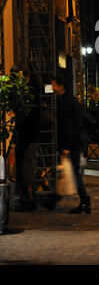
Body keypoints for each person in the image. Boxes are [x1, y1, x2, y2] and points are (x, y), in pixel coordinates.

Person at [50, 74, 91, 214]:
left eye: (54, 84)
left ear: (61, 86)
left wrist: (66, 146)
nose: (52, 87)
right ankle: (57, 198)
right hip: (75, 141)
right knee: (71, 171)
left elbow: (68, 125)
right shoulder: (69, 100)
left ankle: (85, 200)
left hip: (72, 143)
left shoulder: (66, 102)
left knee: (74, 172)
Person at [11, 65, 41, 212]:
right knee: (22, 169)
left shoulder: (31, 92)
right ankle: (25, 197)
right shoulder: (24, 91)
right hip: (24, 136)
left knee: (27, 169)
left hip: (29, 136)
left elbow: (29, 114)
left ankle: (30, 199)